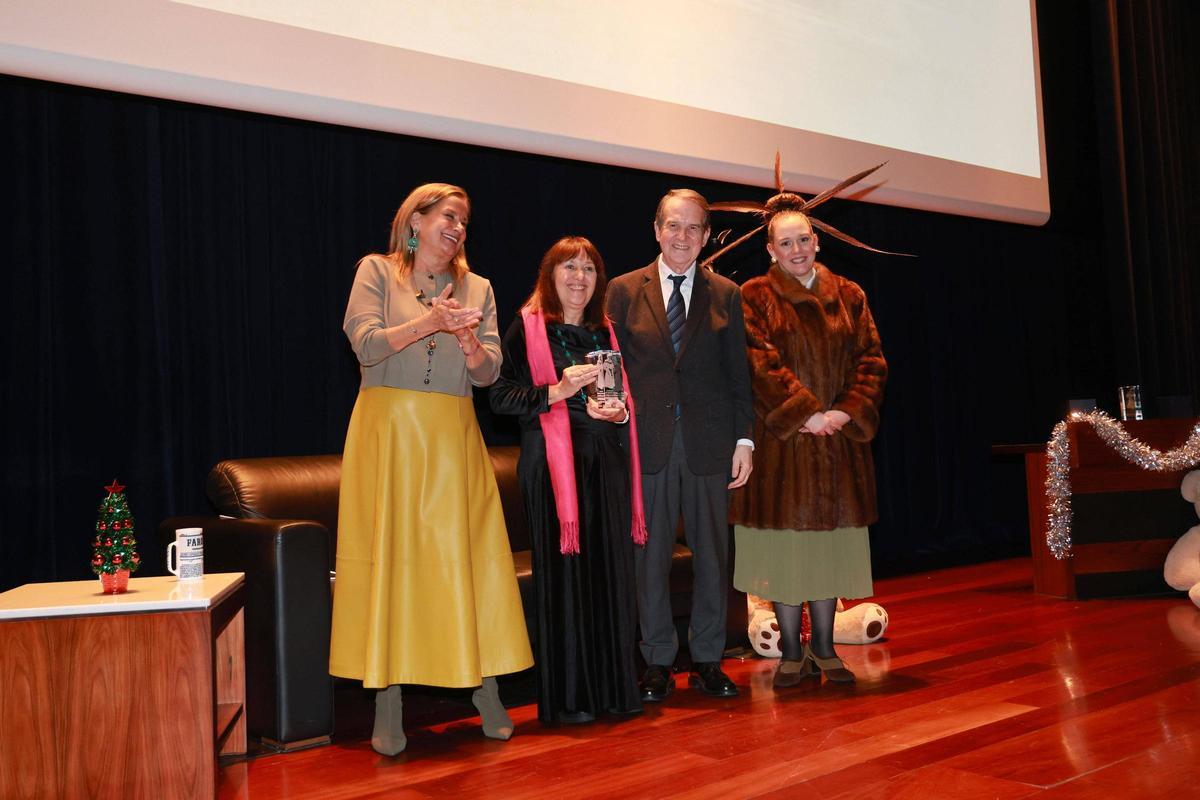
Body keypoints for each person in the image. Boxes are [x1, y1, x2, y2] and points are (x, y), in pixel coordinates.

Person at [330, 183, 533, 756]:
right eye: (449, 216)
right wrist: (430, 324)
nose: (458, 228)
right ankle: (387, 697)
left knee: (460, 564)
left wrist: (468, 341)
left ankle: (485, 688)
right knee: (391, 562)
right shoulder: (376, 271)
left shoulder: (480, 288)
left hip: (451, 436)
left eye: (465, 221)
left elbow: (491, 373)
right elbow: (364, 344)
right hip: (388, 432)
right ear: (415, 220)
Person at [729, 197, 887, 686]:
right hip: (783, 447)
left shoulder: (851, 296)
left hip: (839, 445)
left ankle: (824, 646)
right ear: (770, 251)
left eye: (803, 240)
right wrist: (807, 414)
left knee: (829, 551)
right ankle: (792, 652)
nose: (796, 249)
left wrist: (842, 413)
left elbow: (872, 361)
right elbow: (758, 363)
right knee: (785, 552)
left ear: (816, 242)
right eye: (785, 242)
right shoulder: (753, 296)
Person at [490, 236, 647, 724]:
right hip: (553, 472)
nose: (579, 277)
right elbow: (499, 397)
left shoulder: (609, 333)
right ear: (550, 275)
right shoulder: (528, 327)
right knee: (565, 583)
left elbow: (623, 400)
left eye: (588, 269)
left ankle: (616, 693)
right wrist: (559, 390)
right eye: (569, 268)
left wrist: (620, 413)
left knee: (611, 578)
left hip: (607, 465)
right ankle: (572, 699)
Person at [606, 189, 755, 701]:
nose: (683, 237)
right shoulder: (622, 291)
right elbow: (612, 369)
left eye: (694, 228)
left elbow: (739, 374)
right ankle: (656, 661)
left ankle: (710, 660)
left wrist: (744, 439)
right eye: (674, 226)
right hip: (646, 443)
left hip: (709, 446)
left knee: (713, 555)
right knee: (649, 558)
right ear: (656, 229)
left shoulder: (728, 294)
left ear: (707, 236)